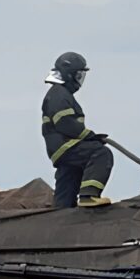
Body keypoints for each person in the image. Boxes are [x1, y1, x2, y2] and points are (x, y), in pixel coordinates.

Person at [41, 51, 114, 208]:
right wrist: (89, 136)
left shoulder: (59, 94)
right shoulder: (59, 94)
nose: (80, 80)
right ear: (69, 75)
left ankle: (62, 208)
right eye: (78, 75)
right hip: (66, 146)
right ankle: (89, 195)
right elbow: (65, 122)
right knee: (100, 153)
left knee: (70, 176)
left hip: (60, 150)